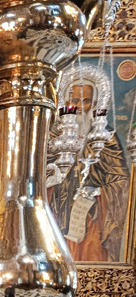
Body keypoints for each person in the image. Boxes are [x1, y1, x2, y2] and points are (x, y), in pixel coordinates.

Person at [49, 66, 129, 262]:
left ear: (94, 103)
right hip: (59, 210)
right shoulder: (54, 136)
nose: (79, 107)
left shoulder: (105, 137)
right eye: (74, 101)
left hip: (94, 215)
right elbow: (38, 174)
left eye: (86, 101)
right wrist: (54, 177)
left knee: (92, 253)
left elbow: (121, 179)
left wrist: (100, 192)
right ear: (65, 102)